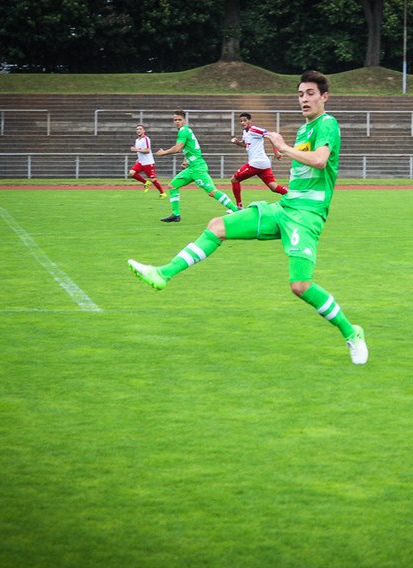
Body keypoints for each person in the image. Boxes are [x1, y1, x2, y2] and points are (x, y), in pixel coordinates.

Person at [128, 70, 368, 365]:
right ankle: (162, 274)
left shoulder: (327, 123)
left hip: (307, 216)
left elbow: (320, 161)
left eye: (310, 93)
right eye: (300, 94)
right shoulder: (304, 130)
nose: (304, 99)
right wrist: (285, 152)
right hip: (286, 208)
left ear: (324, 97)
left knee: (300, 286)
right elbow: (305, 163)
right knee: (217, 226)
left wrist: (283, 147)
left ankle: (351, 332)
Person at [154, 110, 239, 223]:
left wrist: (163, 152)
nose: (177, 122)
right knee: (172, 186)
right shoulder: (186, 131)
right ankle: (176, 214)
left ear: (184, 120)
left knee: (212, 192)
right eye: (175, 120)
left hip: (198, 168)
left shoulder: (183, 131)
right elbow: (191, 148)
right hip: (192, 168)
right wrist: (186, 160)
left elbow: (178, 148)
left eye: (179, 119)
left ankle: (236, 210)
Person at [229, 112, 288, 209]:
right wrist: (237, 142)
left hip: (256, 163)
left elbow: (270, 136)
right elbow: (246, 145)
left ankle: (239, 207)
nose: (242, 122)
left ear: (250, 121)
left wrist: (276, 152)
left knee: (234, 179)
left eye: (245, 120)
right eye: (241, 121)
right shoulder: (245, 132)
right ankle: (293, 196)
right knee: (273, 187)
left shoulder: (254, 130)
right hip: (263, 164)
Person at [129, 124, 165, 198]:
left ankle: (162, 193)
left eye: (140, 129)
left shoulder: (146, 139)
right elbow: (140, 151)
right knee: (131, 173)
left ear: (144, 131)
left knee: (153, 180)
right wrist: (138, 159)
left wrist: (136, 149)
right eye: (137, 129)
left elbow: (147, 151)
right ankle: (146, 182)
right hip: (141, 162)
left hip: (148, 163)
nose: (138, 130)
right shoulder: (137, 140)